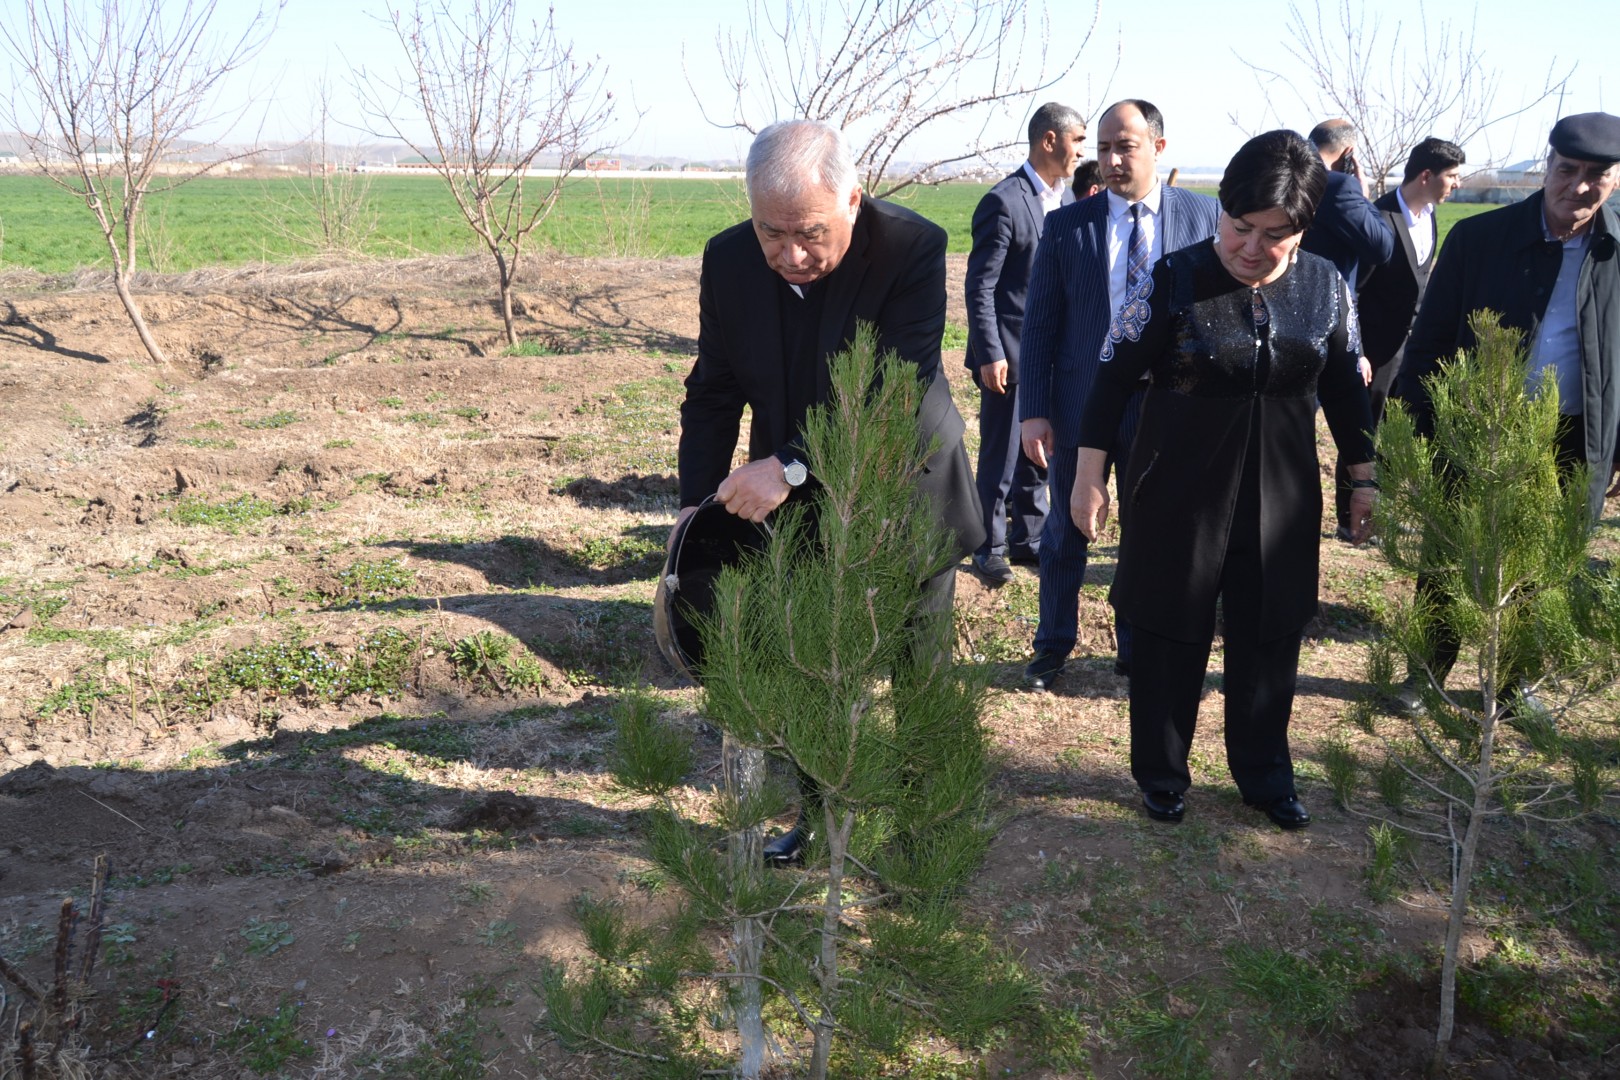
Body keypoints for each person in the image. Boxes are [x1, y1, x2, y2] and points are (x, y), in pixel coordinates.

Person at [675, 119, 984, 863]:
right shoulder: (727, 262)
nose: (791, 255)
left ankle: (923, 834)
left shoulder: (911, 249)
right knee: (809, 662)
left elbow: (892, 391)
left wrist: (785, 466)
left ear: (853, 196)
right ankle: (818, 827)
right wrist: (693, 507)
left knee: (917, 669)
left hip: (906, 496)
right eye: (770, 233)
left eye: (810, 233)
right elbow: (713, 391)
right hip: (794, 506)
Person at [1070, 129, 1377, 829]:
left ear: (1303, 231)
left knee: (1271, 636)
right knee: (1166, 633)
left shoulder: (1326, 286)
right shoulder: (1173, 278)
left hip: (1283, 498)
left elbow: (1345, 391)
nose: (1251, 248)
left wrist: (1364, 480)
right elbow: (1112, 380)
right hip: (1178, 491)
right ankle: (1162, 772)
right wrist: (1090, 478)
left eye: (1275, 236)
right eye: (1240, 228)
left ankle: (1265, 775)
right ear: (1224, 212)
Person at [1394, 111, 1620, 704]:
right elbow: (1431, 340)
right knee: (1446, 550)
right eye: (1567, 169)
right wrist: (1410, 428)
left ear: (1616, 179)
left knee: (1542, 562)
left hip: (1575, 432)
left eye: (1596, 174)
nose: (1578, 185)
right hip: (1479, 423)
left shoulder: (1617, 252)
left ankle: (1517, 680)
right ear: (1546, 167)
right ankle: (1427, 672)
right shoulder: (1479, 239)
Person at [1018, 99, 1220, 690]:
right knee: (1065, 531)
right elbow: (1040, 325)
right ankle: (1053, 644)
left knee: (1148, 532)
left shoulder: (1202, 219)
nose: (1108, 159)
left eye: (1123, 147)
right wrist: (1033, 412)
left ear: (1158, 148)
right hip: (1081, 405)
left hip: (1167, 408)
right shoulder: (1067, 226)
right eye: (1102, 147)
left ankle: (1134, 646)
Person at [963, 102, 1085, 586]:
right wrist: (990, 351)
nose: (1082, 151)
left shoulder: (1069, 199)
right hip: (1009, 356)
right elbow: (981, 286)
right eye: (1077, 140)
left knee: (1041, 448)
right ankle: (987, 546)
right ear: (1049, 140)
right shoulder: (1004, 200)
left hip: (1055, 354)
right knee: (1002, 455)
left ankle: (1028, 538)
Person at [1334, 137, 1464, 539]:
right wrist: (1357, 350)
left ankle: (1378, 512)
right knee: (1362, 433)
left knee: (1393, 433)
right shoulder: (1379, 218)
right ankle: (1347, 521)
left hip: (1411, 348)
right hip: (1374, 351)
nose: (1457, 184)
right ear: (1427, 175)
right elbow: (1352, 290)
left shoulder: (1430, 216)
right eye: (1452, 176)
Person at [1301, 119, 1395, 287]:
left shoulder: (1288, 175)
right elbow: (1381, 249)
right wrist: (1364, 199)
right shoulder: (1340, 186)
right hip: (1322, 296)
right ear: (1349, 153)